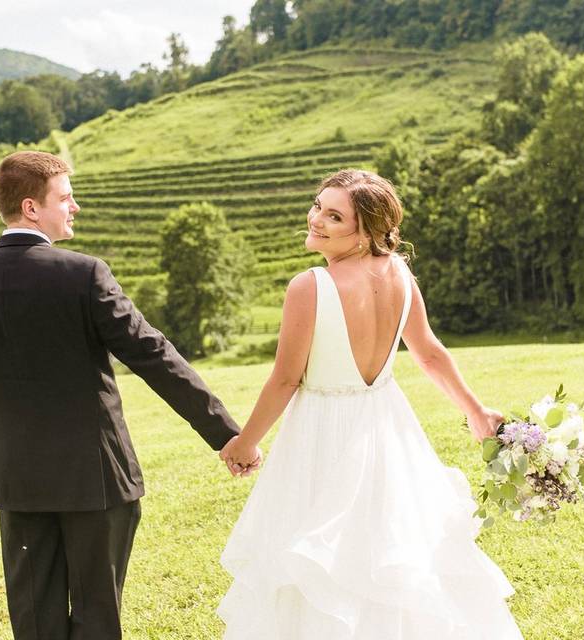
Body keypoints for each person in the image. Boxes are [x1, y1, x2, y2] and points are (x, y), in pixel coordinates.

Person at [0, 150, 260, 640]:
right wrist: (226, 434)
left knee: (34, 622)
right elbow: (155, 357)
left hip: (17, 479)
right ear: (31, 208)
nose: (76, 206)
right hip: (98, 479)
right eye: (65, 197)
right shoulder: (84, 274)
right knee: (97, 618)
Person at [217, 169, 523, 638]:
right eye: (318, 205)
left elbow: (285, 379)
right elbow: (428, 352)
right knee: (390, 553)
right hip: (386, 427)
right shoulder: (399, 272)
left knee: (320, 563)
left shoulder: (310, 286)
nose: (316, 219)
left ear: (365, 233)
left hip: (323, 434)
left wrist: (246, 442)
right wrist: (474, 411)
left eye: (334, 216)